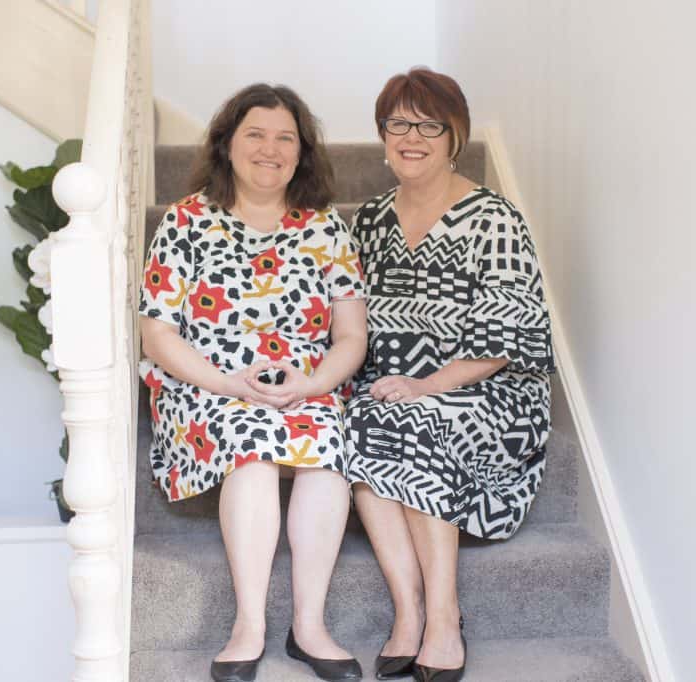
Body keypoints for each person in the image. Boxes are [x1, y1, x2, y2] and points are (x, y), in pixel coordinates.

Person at [139, 83, 367, 682]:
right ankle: (249, 623)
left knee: (326, 450)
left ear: (302, 152)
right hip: (207, 384)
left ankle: (310, 627)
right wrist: (229, 383)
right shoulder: (185, 221)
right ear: (227, 145)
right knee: (252, 452)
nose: (271, 149)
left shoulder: (325, 229)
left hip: (303, 384)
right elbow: (158, 333)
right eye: (255, 135)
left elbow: (350, 338)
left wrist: (313, 382)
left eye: (285, 138)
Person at [345, 67, 554, 682]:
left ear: (455, 133)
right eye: (398, 123)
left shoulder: (494, 219)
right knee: (354, 421)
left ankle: (444, 616)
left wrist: (425, 385)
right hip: (394, 387)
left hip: (489, 391)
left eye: (428, 123)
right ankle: (407, 612)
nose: (412, 136)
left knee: (416, 420)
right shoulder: (370, 221)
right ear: (383, 135)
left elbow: (502, 343)